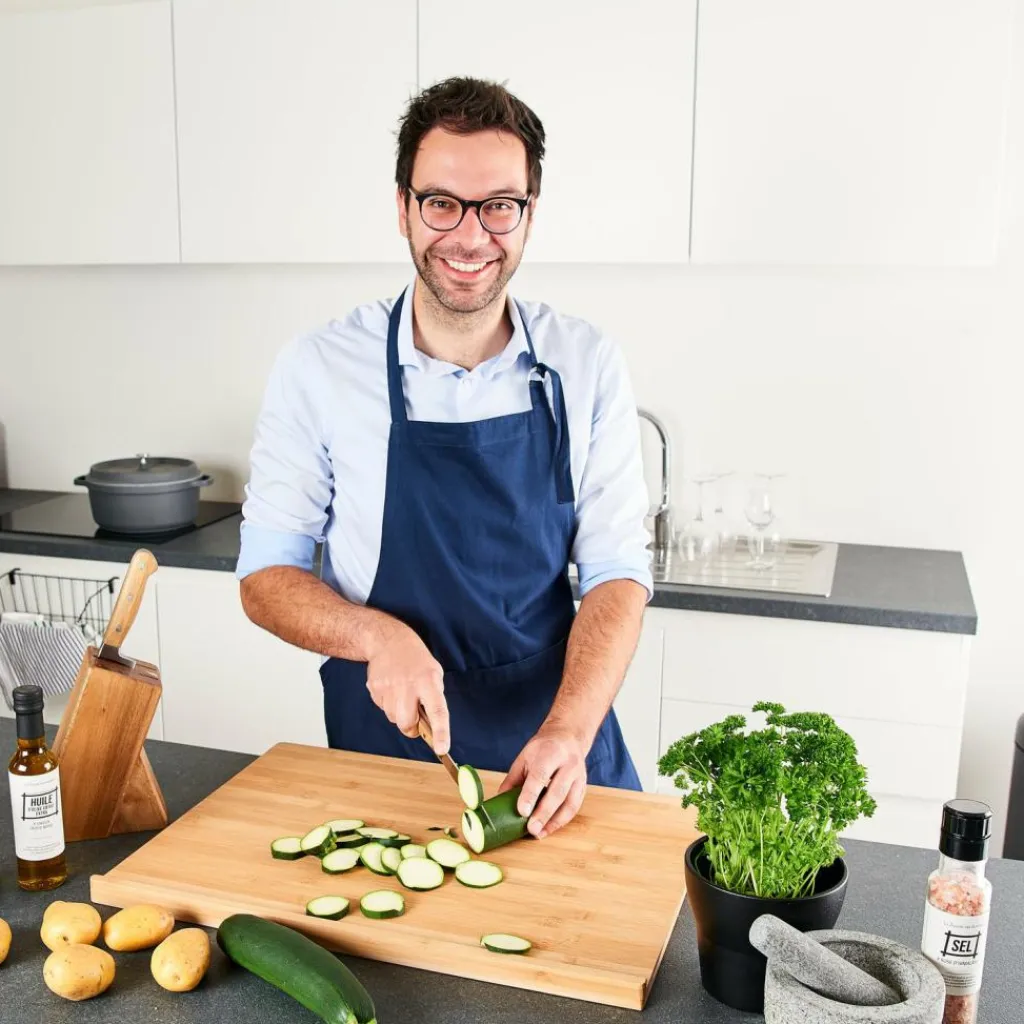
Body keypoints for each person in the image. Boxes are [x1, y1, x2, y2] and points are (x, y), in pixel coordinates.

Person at [236, 76, 653, 840]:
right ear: (403, 208)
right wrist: (377, 637)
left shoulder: (587, 362)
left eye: (499, 206)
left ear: (529, 215)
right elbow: (265, 578)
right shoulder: (320, 368)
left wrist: (569, 732)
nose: (470, 235)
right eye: (441, 203)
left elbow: (618, 573)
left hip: (558, 743)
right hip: (387, 751)